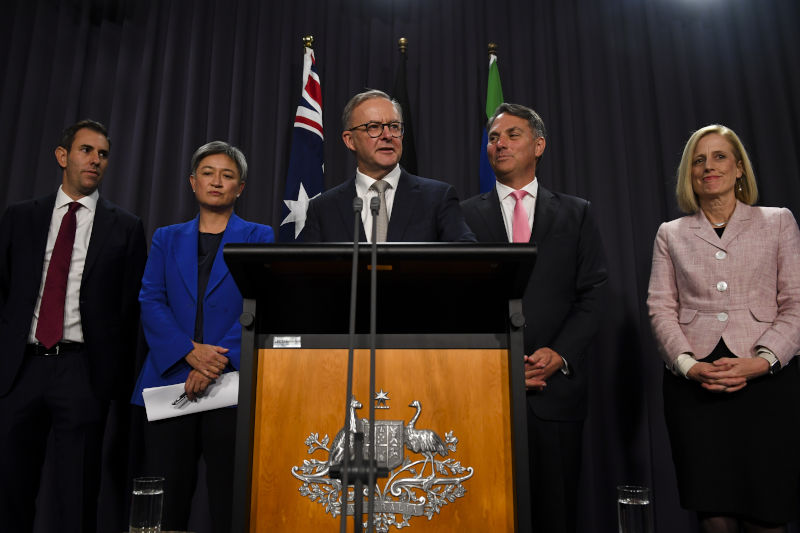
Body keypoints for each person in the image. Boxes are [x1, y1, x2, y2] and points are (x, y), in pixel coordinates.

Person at [461, 103, 608, 533]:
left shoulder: (577, 212)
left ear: (539, 145)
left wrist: (560, 353)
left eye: (512, 135)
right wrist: (498, 363)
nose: (499, 143)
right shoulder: (463, 215)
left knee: (555, 516)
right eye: (493, 137)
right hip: (485, 392)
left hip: (555, 395)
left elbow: (593, 293)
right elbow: (459, 298)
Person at [647, 125, 800, 533]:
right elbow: (661, 307)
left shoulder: (778, 221)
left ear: (739, 170)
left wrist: (762, 362)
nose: (708, 166)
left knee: (767, 513)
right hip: (696, 384)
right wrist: (687, 365)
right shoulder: (670, 233)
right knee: (714, 514)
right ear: (689, 174)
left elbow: (795, 304)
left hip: (767, 381)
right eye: (699, 160)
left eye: (719, 157)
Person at [0, 119, 147, 533]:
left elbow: (129, 311)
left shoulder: (126, 227)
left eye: (102, 154)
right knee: (10, 488)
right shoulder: (20, 218)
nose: (95, 160)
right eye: (86, 150)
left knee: (77, 494)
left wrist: (112, 379)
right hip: (19, 370)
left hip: (82, 372)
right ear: (63, 156)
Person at [131, 141, 274, 532]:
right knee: (164, 502)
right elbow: (151, 298)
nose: (217, 182)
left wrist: (213, 363)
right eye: (208, 173)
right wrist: (188, 353)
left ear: (240, 187)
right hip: (168, 379)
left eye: (227, 175)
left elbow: (259, 298)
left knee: (231, 501)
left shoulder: (260, 236)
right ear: (193, 182)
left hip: (230, 385)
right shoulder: (166, 237)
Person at [303, 89, 475, 242]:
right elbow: (309, 271)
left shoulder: (438, 198)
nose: (387, 135)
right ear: (350, 140)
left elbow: (467, 260)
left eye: (394, 126)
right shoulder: (323, 209)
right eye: (374, 127)